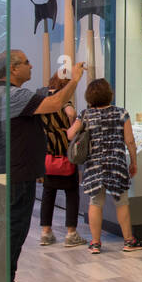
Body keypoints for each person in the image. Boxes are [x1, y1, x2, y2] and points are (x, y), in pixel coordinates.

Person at [0, 51, 85, 282]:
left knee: (6, 226)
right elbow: (53, 104)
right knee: (13, 229)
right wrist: (74, 80)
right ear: (13, 69)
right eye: (27, 62)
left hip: (9, 170)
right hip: (16, 173)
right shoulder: (12, 95)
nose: (31, 65)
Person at [67, 77, 142, 254]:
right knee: (122, 202)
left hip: (94, 165)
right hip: (116, 163)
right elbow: (130, 141)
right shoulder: (121, 113)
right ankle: (128, 241)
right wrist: (133, 162)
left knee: (95, 202)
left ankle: (95, 243)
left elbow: (71, 135)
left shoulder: (85, 114)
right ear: (109, 94)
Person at [38, 74, 85, 248]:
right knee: (72, 193)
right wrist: (71, 125)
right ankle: (71, 233)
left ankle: (46, 232)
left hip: (48, 152)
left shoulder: (43, 99)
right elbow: (71, 112)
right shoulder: (62, 100)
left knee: (48, 193)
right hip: (64, 152)